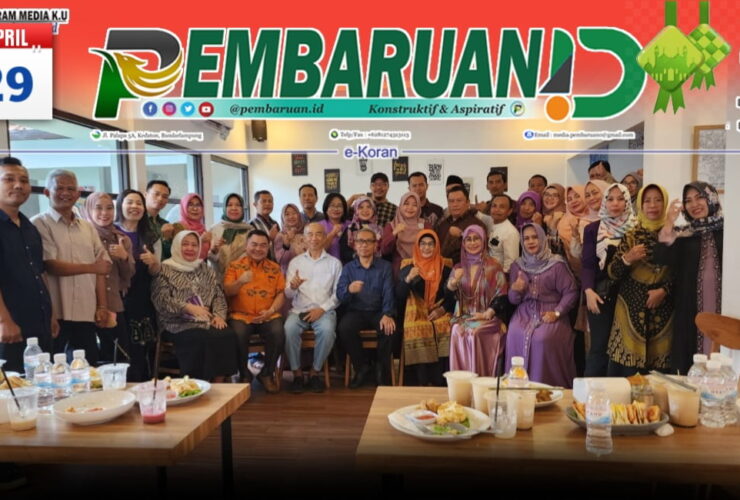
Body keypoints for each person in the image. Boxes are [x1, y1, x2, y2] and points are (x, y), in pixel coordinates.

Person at [32, 170, 111, 363]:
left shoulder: (87, 227)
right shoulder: (38, 224)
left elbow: (103, 268)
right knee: (53, 369)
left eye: (70, 189)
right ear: (46, 192)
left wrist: (102, 306)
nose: (65, 193)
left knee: (89, 367)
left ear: (78, 194)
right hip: (54, 313)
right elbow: (50, 265)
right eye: (59, 188)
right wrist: (92, 268)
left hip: (85, 310)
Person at [655, 182, 724, 374]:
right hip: (690, 306)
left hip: (723, 306)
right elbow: (661, 257)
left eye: (699, 197)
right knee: (690, 358)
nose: (694, 204)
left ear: (711, 199)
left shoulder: (729, 232)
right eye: (688, 200)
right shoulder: (684, 235)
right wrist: (669, 222)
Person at [151, 231, 238, 382]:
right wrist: (187, 307)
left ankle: (218, 383)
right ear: (177, 246)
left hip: (205, 319)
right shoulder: (164, 269)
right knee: (199, 338)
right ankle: (195, 383)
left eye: (194, 245)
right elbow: (160, 299)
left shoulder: (205, 268)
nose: (190, 248)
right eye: (185, 244)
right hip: (176, 322)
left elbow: (218, 295)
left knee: (226, 334)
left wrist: (219, 315)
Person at [607, 184, 672, 376]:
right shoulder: (631, 235)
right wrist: (627, 259)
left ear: (665, 203)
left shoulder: (675, 235)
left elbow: (683, 273)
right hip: (630, 312)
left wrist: (664, 291)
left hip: (663, 313)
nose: (652, 205)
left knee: (659, 378)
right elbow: (612, 273)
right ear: (640, 205)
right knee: (626, 378)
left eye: (658, 200)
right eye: (647, 200)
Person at [506, 224, 579, 387]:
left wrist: (557, 312)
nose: (531, 241)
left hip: (551, 312)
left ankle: (546, 389)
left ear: (542, 238)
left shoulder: (556, 264)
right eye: (526, 238)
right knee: (514, 332)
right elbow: (513, 300)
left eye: (535, 237)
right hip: (524, 312)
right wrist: (515, 289)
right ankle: (517, 387)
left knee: (542, 338)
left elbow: (571, 292)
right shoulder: (517, 265)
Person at [0, 157, 55, 372]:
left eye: (24, 180)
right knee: (12, 386)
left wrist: (50, 314)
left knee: (43, 382)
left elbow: (39, 272)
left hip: (38, 323)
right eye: (9, 179)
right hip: (9, 326)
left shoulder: (28, 227)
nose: (18, 185)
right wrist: (3, 321)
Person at [581, 183, 636, 377]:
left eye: (621, 199)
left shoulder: (636, 227)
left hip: (629, 296)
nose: (615, 203)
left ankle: (622, 392)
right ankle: (589, 392)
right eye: (610, 199)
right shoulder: (593, 229)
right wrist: (588, 290)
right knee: (599, 348)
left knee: (625, 349)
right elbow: (588, 264)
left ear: (627, 201)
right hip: (601, 294)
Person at [224, 229, 286, 393]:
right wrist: (240, 281)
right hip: (241, 315)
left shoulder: (275, 268)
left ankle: (266, 373)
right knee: (238, 333)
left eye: (263, 245)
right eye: (254, 244)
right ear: (247, 245)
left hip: (268, 314)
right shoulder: (235, 266)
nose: (258, 249)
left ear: (268, 247)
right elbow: (227, 291)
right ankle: (244, 374)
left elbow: (281, 293)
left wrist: (271, 310)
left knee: (278, 331)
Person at [284, 223, 342, 393]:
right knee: (288, 330)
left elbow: (338, 295)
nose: (314, 238)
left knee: (327, 330)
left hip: (324, 310)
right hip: (299, 310)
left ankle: (315, 373)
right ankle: (297, 374)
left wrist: (322, 309)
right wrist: (293, 287)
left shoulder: (334, 263)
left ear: (324, 237)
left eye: (318, 234)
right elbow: (288, 294)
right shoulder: (295, 262)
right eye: (310, 234)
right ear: (304, 238)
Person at [336, 228, 396, 388]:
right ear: (355, 245)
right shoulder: (348, 268)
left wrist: (387, 313)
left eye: (368, 241)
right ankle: (361, 367)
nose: (364, 245)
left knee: (388, 329)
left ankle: (381, 370)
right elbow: (340, 295)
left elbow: (389, 292)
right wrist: (349, 290)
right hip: (356, 311)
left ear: (375, 245)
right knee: (344, 328)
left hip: (378, 311)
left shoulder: (385, 266)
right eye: (360, 241)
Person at [81, 192, 135, 368]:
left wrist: (124, 257)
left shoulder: (121, 238)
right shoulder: (82, 238)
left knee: (120, 357)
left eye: (109, 208)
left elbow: (128, 276)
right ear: (88, 210)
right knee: (88, 359)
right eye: (98, 208)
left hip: (113, 303)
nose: (104, 213)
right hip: (85, 305)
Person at [396, 230, 455, 386]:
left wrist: (442, 309)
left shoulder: (445, 268)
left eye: (430, 244)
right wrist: (408, 279)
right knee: (418, 328)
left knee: (447, 326)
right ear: (417, 246)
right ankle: (420, 380)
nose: (426, 248)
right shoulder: (408, 267)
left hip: (440, 311)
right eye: (422, 244)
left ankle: (440, 380)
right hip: (416, 312)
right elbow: (399, 296)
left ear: (436, 246)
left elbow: (452, 297)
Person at [448, 226, 508, 377]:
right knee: (456, 330)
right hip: (465, 316)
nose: (472, 243)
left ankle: (479, 379)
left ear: (483, 241)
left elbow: (502, 295)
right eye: (468, 239)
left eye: (476, 239)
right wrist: (454, 282)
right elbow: (448, 293)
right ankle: (461, 382)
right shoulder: (458, 267)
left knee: (474, 333)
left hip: (488, 317)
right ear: (463, 243)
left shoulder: (493, 266)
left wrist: (487, 313)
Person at [115, 189, 162, 381]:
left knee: (144, 345)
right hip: (118, 297)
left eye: (139, 203)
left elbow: (156, 272)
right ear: (121, 205)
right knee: (122, 345)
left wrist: (153, 262)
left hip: (143, 297)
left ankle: (145, 384)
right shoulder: (111, 232)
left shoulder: (150, 236)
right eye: (130, 202)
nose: (134, 207)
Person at [381, 192, 430, 279]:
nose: (410, 208)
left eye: (414, 205)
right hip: (399, 271)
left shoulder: (425, 225)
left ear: (419, 207)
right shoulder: (392, 226)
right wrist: (394, 233)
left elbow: (432, 248)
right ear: (400, 205)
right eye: (406, 204)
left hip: (423, 269)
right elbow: (384, 250)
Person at [435, 185, 487, 264]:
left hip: (468, 268)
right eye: (451, 201)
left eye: (459, 200)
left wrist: (461, 235)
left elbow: (482, 253)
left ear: (467, 202)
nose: (455, 204)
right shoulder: (443, 224)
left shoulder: (477, 225)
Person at [208, 193, 254, 279]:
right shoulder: (214, 229)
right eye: (229, 205)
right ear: (224, 208)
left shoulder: (250, 230)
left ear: (242, 208)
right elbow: (209, 258)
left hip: (244, 278)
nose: (234, 208)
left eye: (238, 205)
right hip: (219, 278)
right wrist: (214, 250)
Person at [344, 196, 383, 262]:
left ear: (373, 210)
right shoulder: (350, 229)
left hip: (377, 264)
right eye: (361, 207)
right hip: (355, 265)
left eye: (369, 207)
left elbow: (384, 250)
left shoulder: (380, 229)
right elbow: (345, 252)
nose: (365, 210)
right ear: (356, 210)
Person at [487, 194, 519, 274]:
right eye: (494, 206)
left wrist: (501, 278)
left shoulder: (510, 232)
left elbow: (511, 264)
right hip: (488, 272)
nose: (497, 210)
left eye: (502, 207)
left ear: (509, 211)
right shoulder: (491, 223)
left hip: (500, 276)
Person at [174, 193, 211, 260]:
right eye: (190, 205)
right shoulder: (178, 227)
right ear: (184, 207)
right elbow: (177, 253)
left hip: (200, 266)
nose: (195, 208)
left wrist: (214, 249)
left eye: (198, 205)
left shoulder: (202, 228)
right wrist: (200, 241)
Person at [144, 180, 174, 259]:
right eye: (156, 194)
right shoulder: (138, 220)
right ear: (146, 195)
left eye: (165, 196)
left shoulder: (165, 223)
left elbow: (169, 254)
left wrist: (166, 239)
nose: (160, 199)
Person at [274, 203, 307, 274]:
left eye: (294, 213)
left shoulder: (306, 232)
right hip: (289, 275)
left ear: (299, 215)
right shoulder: (280, 236)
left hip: (307, 272)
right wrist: (286, 245)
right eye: (287, 214)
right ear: (283, 217)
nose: (291, 217)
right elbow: (281, 261)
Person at [249, 190, 280, 261]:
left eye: (270, 201)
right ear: (255, 204)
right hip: (259, 263)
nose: (267, 204)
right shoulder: (251, 224)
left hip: (275, 263)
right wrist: (269, 238)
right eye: (263, 201)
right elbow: (252, 248)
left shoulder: (275, 223)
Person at [319, 193, 349, 260]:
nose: (336, 209)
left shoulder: (351, 225)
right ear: (326, 208)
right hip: (326, 264)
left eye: (339, 206)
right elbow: (318, 251)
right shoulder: (319, 226)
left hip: (348, 264)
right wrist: (333, 233)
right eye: (332, 206)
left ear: (344, 209)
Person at [542, 184, 567, 255]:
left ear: (562, 198)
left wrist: (553, 225)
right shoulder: (542, 216)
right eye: (547, 194)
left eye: (555, 195)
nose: (550, 198)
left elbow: (559, 250)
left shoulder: (564, 217)